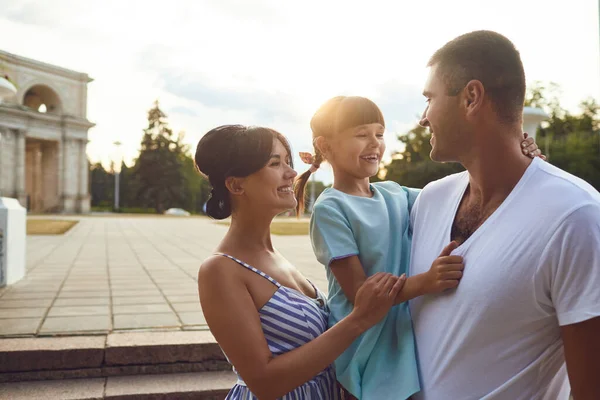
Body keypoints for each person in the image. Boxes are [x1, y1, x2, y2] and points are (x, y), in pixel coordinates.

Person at [294, 96, 541, 399]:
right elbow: (362, 295)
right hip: (364, 344)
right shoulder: (331, 208)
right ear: (326, 145)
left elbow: (466, 192)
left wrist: (516, 158)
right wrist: (428, 281)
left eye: (379, 134)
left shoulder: (396, 194)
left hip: (402, 335)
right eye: (361, 135)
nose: (374, 143)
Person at [410, 30, 600, 400]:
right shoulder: (429, 201)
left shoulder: (575, 216)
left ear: (471, 97)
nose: (423, 117)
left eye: (429, 99)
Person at [195, 124, 407, 400]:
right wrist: (359, 319)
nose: (292, 172)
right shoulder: (220, 270)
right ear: (236, 185)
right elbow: (264, 383)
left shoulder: (275, 258)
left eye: (288, 161)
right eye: (275, 163)